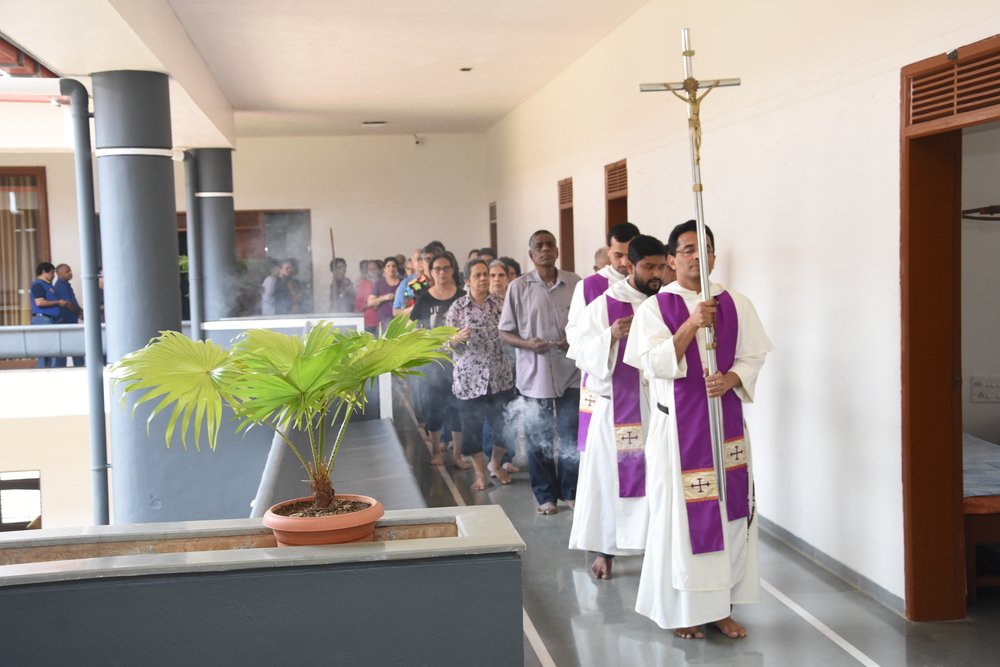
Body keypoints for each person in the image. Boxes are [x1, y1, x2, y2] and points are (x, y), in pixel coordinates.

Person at [623, 220, 773, 640]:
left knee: (728, 517)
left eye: (703, 248)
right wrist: (691, 323)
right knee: (679, 522)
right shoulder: (656, 309)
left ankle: (721, 608)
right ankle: (683, 610)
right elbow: (652, 363)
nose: (696, 255)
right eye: (687, 249)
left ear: (713, 256)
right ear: (671, 260)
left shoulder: (736, 303)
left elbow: (753, 356)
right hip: (677, 435)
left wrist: (731, 380)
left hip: (725, 430)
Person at [567, 234, 670, 581]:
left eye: (661, 266)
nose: (656, 274)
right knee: (609, 481)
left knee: (659, 479)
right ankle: (606, 549)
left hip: (658, 408)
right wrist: (609, 336)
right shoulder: (605, 305)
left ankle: (659, 549)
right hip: (617, 410)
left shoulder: (667, 302)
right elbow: (580, 352)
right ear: (629, 265)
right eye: (649, 267)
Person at [499, 230, 581, 515]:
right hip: (535, 375)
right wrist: (527, 344)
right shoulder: (518, 287)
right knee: (537, 434)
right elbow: (505, 332)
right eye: (539, 246)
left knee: (571, 433)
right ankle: (546, 496)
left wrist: (574, 339)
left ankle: (571, 491)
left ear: (557, 251)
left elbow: (587, 323)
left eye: (550, 245)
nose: (545, 250)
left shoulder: (575, 283)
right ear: (531, 254)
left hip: (571, 372)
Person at [566, 222, 640, 464]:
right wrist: (608, 337)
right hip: (602, 378)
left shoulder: (648, 284)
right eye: (618, 255)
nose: (624, 262)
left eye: (629, 255)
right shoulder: (589, 286)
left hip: (639, 383)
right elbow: (574, 335)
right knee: (601, 453)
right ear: (608, 250)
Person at [447, 258, 515, 490]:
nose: (484, 278)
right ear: (467, 280)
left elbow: (513, 331)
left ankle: (495, 463)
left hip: (500, 376)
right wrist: (456, 338)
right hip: (470, 379)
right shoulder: (458, 307)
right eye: (478, 275)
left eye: (486, 273)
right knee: (472, 430)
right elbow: (445, 343)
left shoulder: (501, 303)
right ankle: (480, 475)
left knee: (503, 427)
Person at [411, 250, 465, 467]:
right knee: (434, 409)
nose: (442, 272)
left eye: (446, 268)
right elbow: (415, 329)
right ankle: (436, 452)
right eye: (437, 269)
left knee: (458, 409)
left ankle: (458, 456)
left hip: (459, 362)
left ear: (452, 270)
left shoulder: (462, 296)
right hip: (433, 363)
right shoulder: (424, 299)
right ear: (430, 272)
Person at [482, 259, 519, 475]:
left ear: (508, 278)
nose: (496, 279)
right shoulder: (482, 304)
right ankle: (492, 457)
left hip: (515, 365)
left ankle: (508, 457)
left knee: (512, 413)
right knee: (492, 415)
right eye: (492, 275)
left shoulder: (515, 301)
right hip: (491, 370)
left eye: (501, 275)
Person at [29, 262, 69, 368]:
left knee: (54, 348)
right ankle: (45, 370)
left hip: (52, 320)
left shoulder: (48, 285)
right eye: (51, 272)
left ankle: (54, 369)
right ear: (44, 272)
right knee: (46, 349)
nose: (53, 275)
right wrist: (58, 302)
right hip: (43, 320)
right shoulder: (38, 285)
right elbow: (39, 302)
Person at [53, 263, 85, 367]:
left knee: (74, 348)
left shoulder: (67, 285)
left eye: (70, 270)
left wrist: (81, 313)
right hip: (65, 322)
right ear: (59, 273)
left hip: (70, 321)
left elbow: (73, 303)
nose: (70, 273)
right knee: (69, 348)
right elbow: (68, 304)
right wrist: (81, 314)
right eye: (67, 271)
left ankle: (79, 366)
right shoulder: (61, 286)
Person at [370, 256, 402, 332]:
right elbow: (370, 302)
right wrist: (385, 297)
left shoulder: (403, 283)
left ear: (397, 268)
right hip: (383, 323)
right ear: (384, 269)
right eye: (388, 266)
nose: (391, 268)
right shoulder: (379, 284)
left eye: (394, 266)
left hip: (400, 323)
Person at [355, 259, 384, 333]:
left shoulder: (385, 283)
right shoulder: (363, 284)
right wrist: (369, 304)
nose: (373, 271)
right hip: (369, 322)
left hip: (384, 320)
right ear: (367, 271)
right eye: (370, 269)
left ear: (379, 270)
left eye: (375, 269)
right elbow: (358, 305)